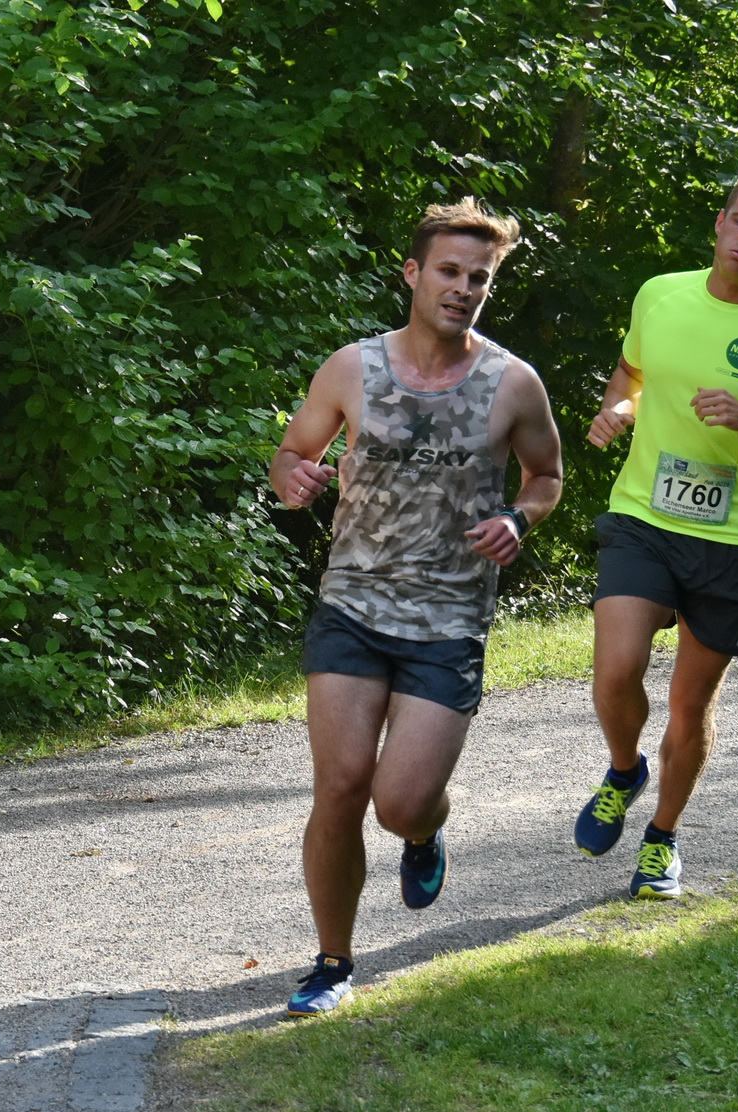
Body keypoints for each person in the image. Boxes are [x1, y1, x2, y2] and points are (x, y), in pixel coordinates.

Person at [270, 199, 563, 1015]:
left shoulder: (512, 382)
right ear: (412, 273)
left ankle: (427, 826)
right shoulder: (351, 368)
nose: (464, 287)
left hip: (448, 618)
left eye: (481, 277)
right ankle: (332, 961)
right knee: (339, 788)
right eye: (449, 271)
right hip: (353, 604)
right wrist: (291, 477)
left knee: (398, 801)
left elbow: (547, 477)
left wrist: (517, 517)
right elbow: (294, 451)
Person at [573, 169, 738, 899]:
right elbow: (628, 373)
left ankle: (662, 838)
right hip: (644, 516)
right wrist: (621, 411)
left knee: (691, 706)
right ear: (720, 223)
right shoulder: (661, 293)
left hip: (730, 536)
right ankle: (624, 768)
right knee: (616, 667)